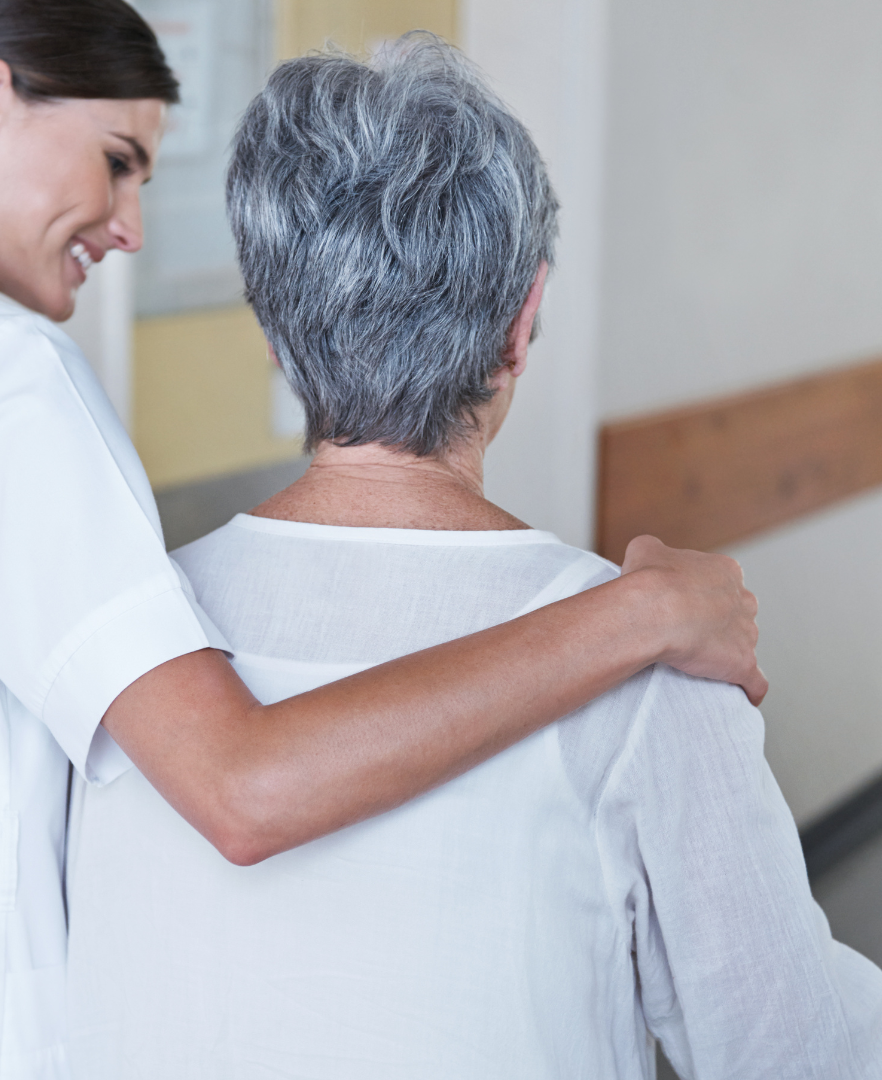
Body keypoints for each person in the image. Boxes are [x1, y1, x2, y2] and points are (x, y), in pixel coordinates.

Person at [0, 3, 763, 1078]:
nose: (130, 227)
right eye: (119, 162)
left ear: (272, 329)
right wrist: (639, 612)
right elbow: (243, 788)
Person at [66, 37, 882, 1080]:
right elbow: (796, 1051)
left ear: (271, 331)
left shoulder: (132, 652)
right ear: (522, 322)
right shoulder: (650, 664)